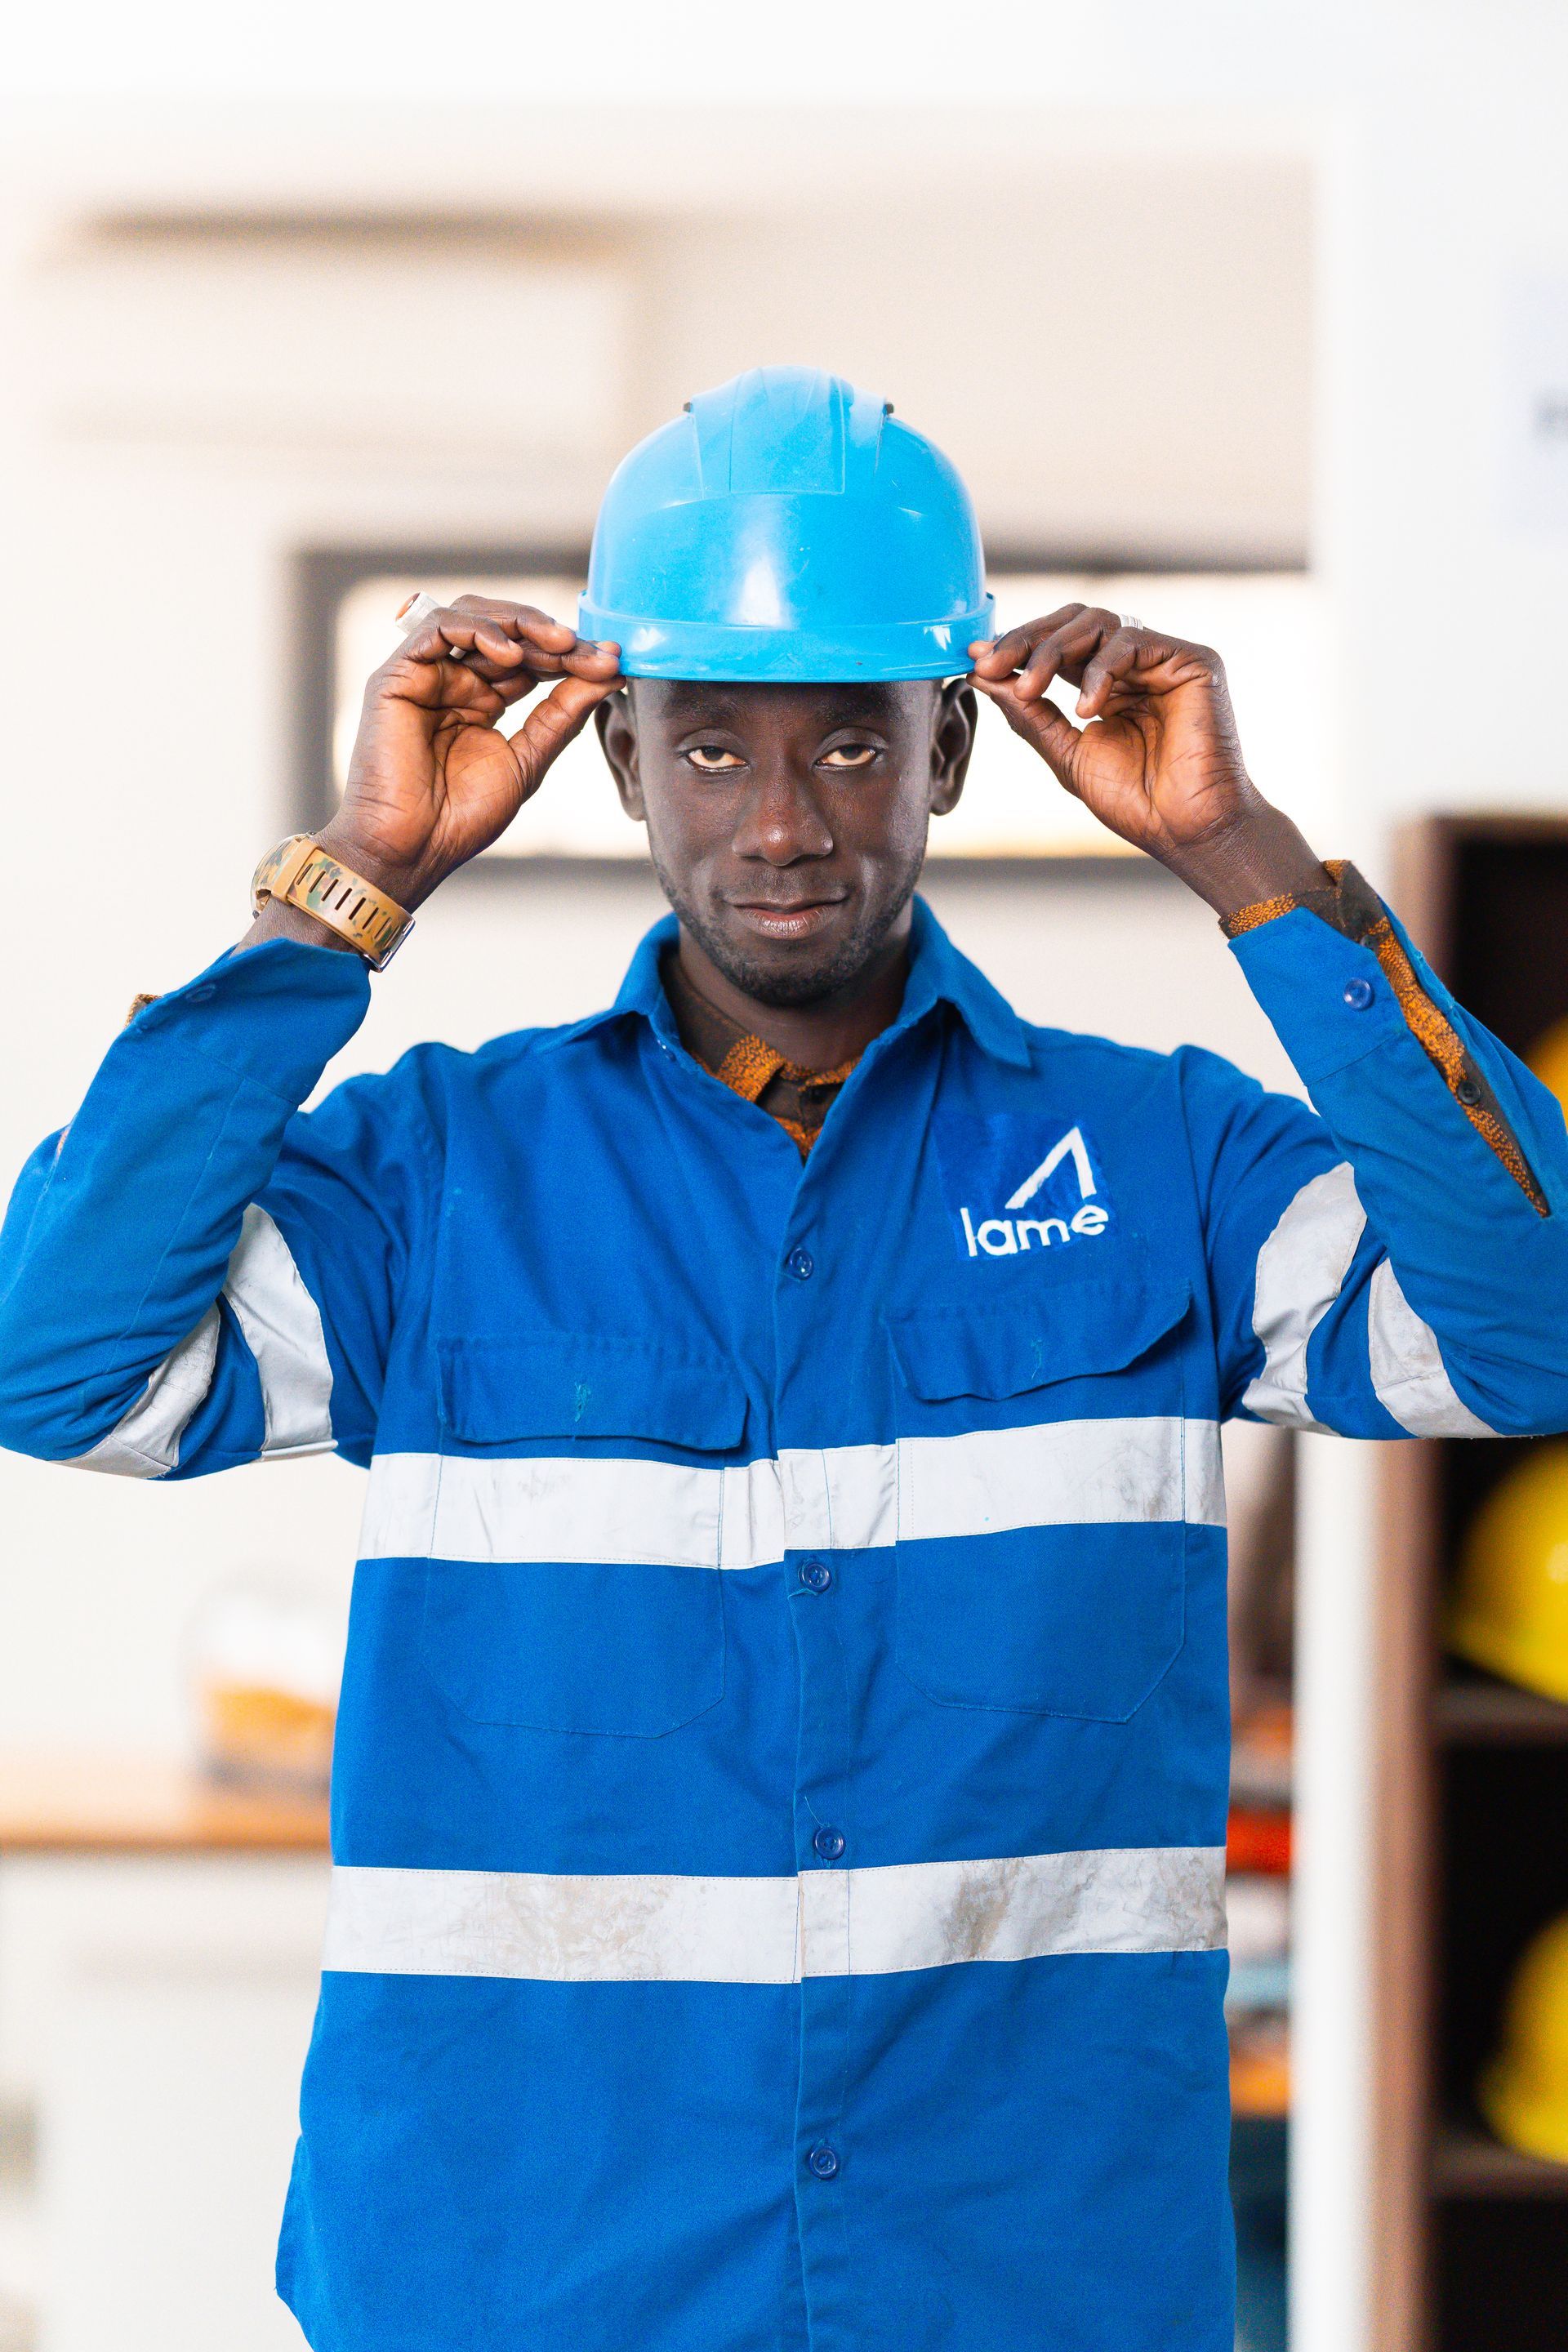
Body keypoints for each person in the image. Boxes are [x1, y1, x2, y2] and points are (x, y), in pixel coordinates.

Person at [1, 366, 1566, 2352]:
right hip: (521, 2280)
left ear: (952, 757)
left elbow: (1533, 1333)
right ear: (625, 767)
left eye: (851, 740)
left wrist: (1248, 857)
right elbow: (56, 1363)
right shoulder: (441, 1174)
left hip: (1016, 2278)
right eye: (713, 745)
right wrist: (356, 879)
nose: (785, 820)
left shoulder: (1168, 1160)